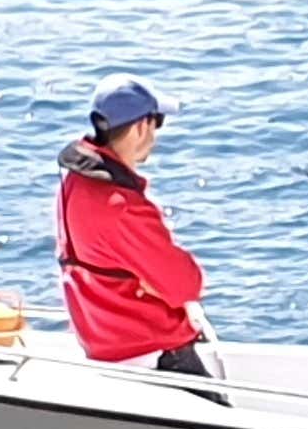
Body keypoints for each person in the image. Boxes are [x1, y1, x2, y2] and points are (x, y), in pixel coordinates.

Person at [55, 74, 222, 392]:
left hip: (105, 353)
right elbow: (187, 284)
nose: (157, 135)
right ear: (141, 126)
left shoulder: (72, 187)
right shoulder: (123, 207)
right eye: (157, 122)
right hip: (157, 359)